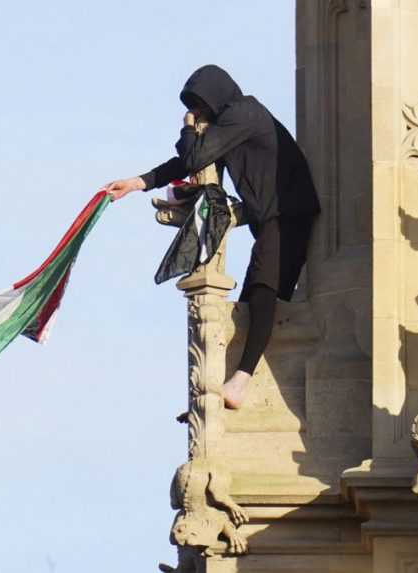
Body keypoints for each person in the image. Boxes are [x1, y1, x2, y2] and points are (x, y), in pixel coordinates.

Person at [103, 64, 320, 409]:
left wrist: (187, 128)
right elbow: (186, 163)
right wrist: (137, 183)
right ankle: (226, 389)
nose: (197, 113)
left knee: (264, 292)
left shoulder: (243, 113)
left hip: (288, 213)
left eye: (199, 105)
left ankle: (240, 381)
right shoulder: (232, 121)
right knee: (253, 301)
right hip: (273, 217)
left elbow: (195, 156)